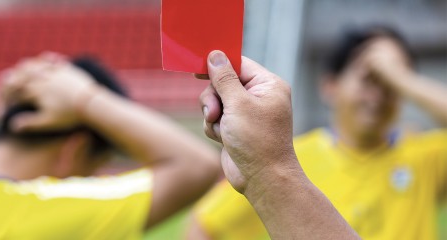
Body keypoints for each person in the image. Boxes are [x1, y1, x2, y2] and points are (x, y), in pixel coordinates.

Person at [0, 53, 221, 240]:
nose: (96, 178)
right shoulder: (47, 208)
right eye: (97, 166)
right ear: (76, 149)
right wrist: (85, 98)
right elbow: (197, 166)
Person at [188, 26, 447, 240]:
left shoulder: (424, 157)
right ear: (330, 86)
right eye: (370, 78)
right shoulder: (286, 160)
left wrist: (402, 77)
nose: (379, 95)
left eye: (389, 83)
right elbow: (205, 225)